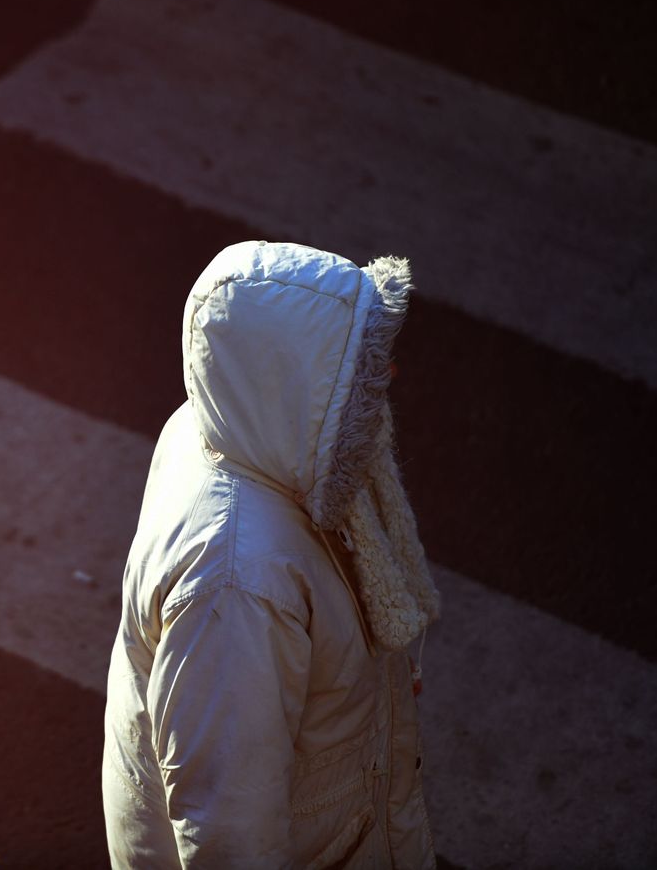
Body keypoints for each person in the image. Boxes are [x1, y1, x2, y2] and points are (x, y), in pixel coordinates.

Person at [102, 241, 440, 868]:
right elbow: (229, 833)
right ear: (290, 384)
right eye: (357, 366)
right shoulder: (239, 583)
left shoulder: (217, 426)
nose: (387, 376)